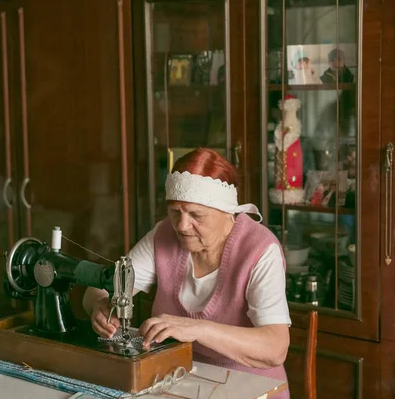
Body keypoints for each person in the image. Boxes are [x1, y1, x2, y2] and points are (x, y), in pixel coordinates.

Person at [83, 148, 291, 398]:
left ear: (227, 211)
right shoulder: (162, 237)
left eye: (196, 215)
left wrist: (198, 329)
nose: (182, 226)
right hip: (180, 380)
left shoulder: (260, 249)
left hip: (249, 387)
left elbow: (275, 348)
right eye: (175, 212)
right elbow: (100, 286)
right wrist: (98, 304)